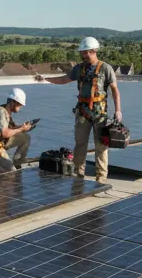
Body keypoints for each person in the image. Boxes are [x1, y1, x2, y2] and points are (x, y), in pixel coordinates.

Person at [35, 36, 121, 181]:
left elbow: (115, 90)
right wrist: (46, 79)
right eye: (83, 53)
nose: (85, 55)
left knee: (101, 146)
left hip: (100, 114)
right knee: (80, 145)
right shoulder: (79, 69)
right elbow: (64, 79)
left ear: (94, 51)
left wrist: (118, 110)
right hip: (82, 113)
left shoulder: (105, 69)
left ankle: (101, 177)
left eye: (88, 52)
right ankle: (79, 174)